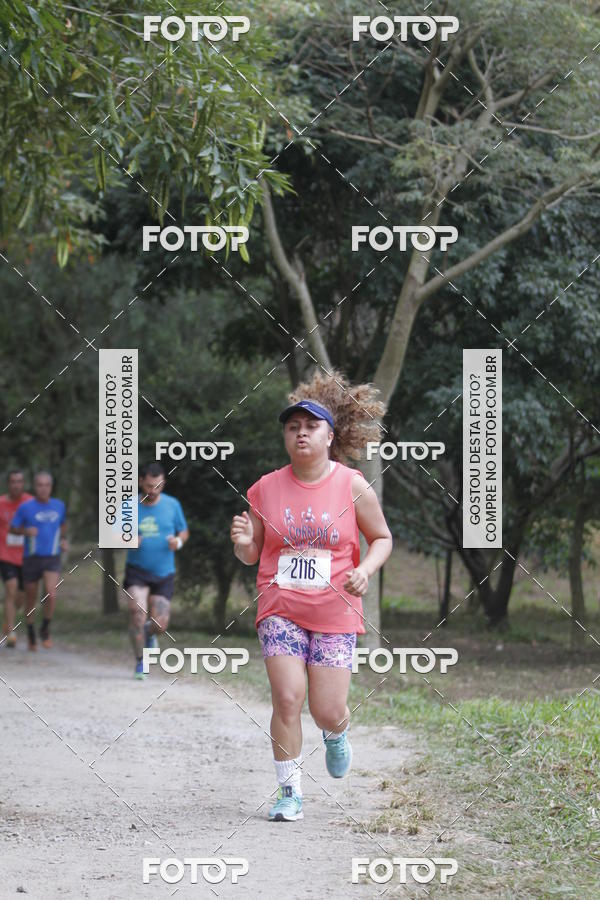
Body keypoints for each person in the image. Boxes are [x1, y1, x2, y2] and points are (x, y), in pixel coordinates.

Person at [231, 370, 393, 822]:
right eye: (292, 427)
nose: (301, 433)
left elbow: (382, 538)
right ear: (286, 435)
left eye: (311, 427)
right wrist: (243, 542)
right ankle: (289, 792)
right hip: (280, 606)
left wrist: (364, 569)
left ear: (329, 436)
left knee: (327, 710)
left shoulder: (351, 485)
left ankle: (337, 733)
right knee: (287, 698)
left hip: (336, 610)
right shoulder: (265, 488)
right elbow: (252, 555)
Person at [124, 462, 189, 680]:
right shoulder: (129, 505)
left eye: (158, 486)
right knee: (136, 612)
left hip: (163, 573)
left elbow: (184, 532)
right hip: (137, 571)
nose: (153, 491)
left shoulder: (172, 505)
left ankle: (151, 636)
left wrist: (178, 543)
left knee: (160, 625)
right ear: (141, 481)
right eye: (150, 486)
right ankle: (140, 661)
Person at [9, 471, 67, 651]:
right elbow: (13, 529)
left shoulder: (59, 506)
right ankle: (31, 629)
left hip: (51, 556)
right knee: (31, 596)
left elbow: (63, 525)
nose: (43, 488)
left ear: (51, 487)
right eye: (40, 485)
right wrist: (25, 532)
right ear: (35, 487)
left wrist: (62, 539)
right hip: (31, 557)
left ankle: (45, 628)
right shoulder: (26, 507)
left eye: (46, 485)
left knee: (51, 593)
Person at [0, 470, 33, 647]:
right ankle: (11, 631)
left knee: (21, 597)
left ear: (23, 483)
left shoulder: (30, 502)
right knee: (10, 587)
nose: (16, 485)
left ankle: (8, 619)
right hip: (5, 554)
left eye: (19, 481)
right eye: (13, 481)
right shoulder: (1, 503)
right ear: (8, 484)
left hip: (26, 555)